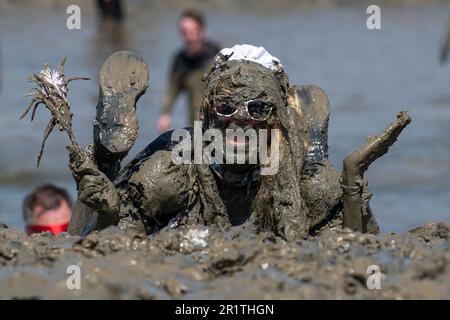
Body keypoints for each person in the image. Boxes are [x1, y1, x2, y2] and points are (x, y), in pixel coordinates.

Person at [157, 8, 220, 133]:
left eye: (192, 31)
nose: (188, 36)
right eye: (184, 32)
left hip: (219, 122)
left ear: (202, 31)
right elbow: (173, 89)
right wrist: (165, 114)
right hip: (195, 123)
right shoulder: (180, 60)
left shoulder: (218, 57)